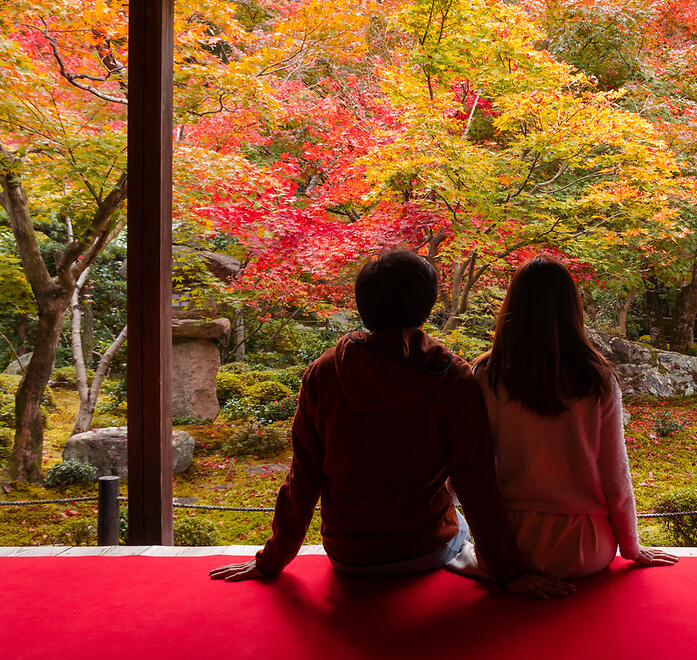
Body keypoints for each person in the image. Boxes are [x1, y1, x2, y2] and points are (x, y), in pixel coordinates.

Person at [210, 250, 573, 600]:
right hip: (426, 548)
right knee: (458, 523)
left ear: (362, 304)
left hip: (349, 555)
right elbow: (475, 481)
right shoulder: (453, 377)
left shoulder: (324, 372)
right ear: (428, 305)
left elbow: (303, 476)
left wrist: (272, 559)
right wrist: (510, 571)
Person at [467, 255, 678, 579]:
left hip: (511, 546)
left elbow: (472, 471)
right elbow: (615, 475)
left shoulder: (487, 375)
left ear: (512, 306)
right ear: (571, 309)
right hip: (586, 546)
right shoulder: (596, 379)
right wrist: (632, 547)